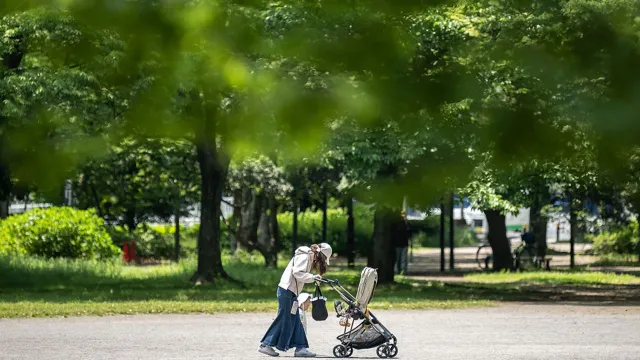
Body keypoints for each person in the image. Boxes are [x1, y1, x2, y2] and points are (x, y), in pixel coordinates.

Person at [258, 243, 332, 358]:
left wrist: (313, 278)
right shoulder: (305, 256)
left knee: (295, 319)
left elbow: (300, 275)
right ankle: (265, 345)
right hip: (287, 290)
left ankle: (300, 347)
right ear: (320, 255)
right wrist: (312, 277)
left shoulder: (309, 256)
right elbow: (297, 273)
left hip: (290, 292)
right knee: (284, 318)